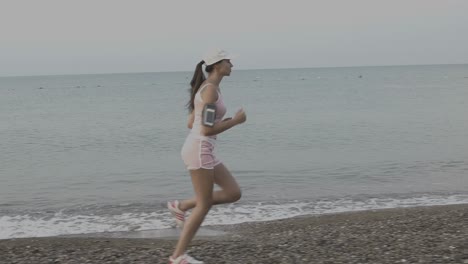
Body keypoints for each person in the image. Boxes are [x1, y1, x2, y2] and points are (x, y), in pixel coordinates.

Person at [167, 49, 247, 264]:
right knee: (204, 205)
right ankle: (178, 257)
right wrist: (235, 121)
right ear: (217, 65)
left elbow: (191, 123)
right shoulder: (209, 90)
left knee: (233, 192)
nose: (232, 64)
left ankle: (181, 206)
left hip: (203, 150)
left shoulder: (208, 89)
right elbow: (206, 130)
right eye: (228, 61)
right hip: (200, 150)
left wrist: (221, 120)